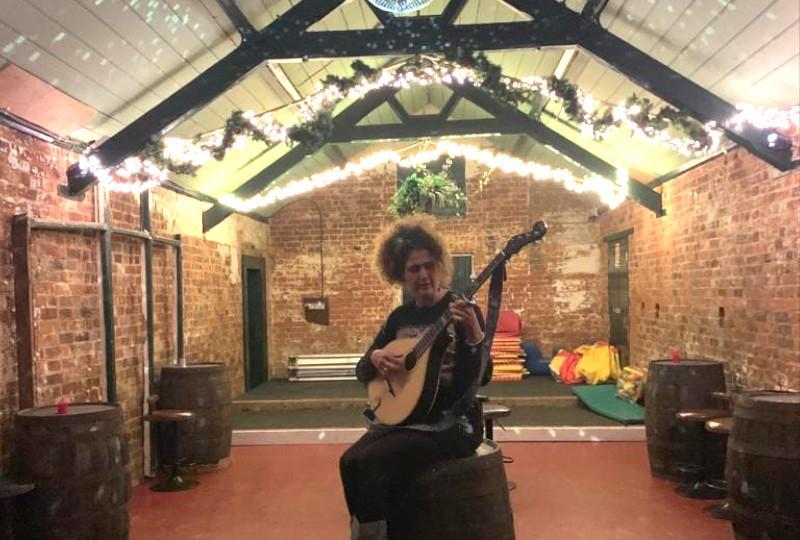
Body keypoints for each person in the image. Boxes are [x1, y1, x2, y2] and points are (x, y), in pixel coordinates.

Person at [339, 216, 489, 540]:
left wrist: (475, 335)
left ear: (439, 265)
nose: (423, 275)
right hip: (405, 419)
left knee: (374, 462)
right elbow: (362, 372)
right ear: (400, 275)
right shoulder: (400, 318)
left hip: (451, 423)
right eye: (413, 269)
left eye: (428, 265)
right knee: (349, 461)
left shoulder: (462, 310)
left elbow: (482, 378)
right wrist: (375, 357)